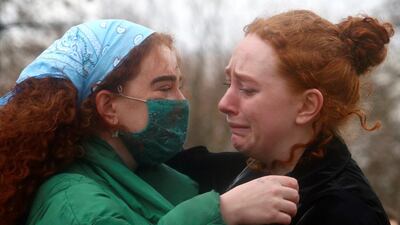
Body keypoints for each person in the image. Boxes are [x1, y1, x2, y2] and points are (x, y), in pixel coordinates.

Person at [0, 19, 299, 225]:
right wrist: (221, 213)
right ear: (109, 106)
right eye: (164, 87)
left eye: (179, 85)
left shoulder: (141, 176)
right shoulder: (77, 207)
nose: (180, 101)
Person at [216, 9, 394, 225]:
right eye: (229, 83)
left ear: (307, 106)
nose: (224, 104)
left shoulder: (347, 212)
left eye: (247, 89)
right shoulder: (257, 174)